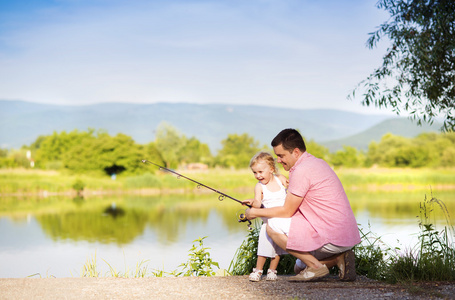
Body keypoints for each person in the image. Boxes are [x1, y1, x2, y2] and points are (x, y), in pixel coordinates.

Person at [245, 129, 361, 282]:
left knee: (272, 226)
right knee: (299, 267)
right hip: (345, 236)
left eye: (281, 155)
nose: (278, 160)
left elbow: (287, 211)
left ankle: (316, 266)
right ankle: (338, 259)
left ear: (296, 152)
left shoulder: (301, 170)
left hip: (331, 236)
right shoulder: (316, 162)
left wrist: (254, 212)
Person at [242, 152, 291, 282]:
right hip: (269, 221)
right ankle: (258, 270)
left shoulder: (280, 179)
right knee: (264, 247)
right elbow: (258, 202)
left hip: (282, 219)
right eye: (254, 172)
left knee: (277, 249)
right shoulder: (259, 186)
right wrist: (252, 203)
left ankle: (272, 270)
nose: (258, 175)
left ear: (271, 169)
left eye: (260, 172)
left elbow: (291, 189)